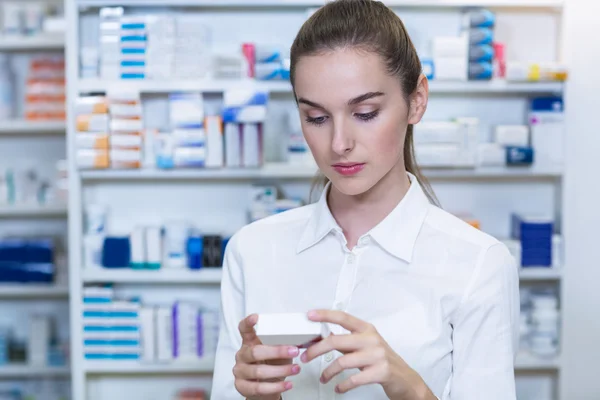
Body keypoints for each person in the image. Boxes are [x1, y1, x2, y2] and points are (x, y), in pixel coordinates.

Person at [211, 0, 519, 399]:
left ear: (417, 100)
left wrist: (410, 389)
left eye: (366, 112)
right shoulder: (252, 251)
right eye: (317, 118)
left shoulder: (478, 265)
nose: (339, 144)